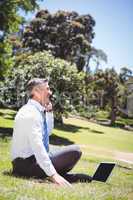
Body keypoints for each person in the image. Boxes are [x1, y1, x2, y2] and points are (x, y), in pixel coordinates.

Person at [11, 78, 92, 187]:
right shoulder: (30, 113)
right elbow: (37, 146)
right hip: (26, 165)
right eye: (47, 89)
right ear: (36, 92)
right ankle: (59, 176)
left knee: (62, 150)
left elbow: (47, 133)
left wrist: (49, 112)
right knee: (75, 151)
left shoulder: (34, 110)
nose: (50, 92)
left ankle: (61, 176)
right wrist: (54, 175)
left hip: (28, 161)